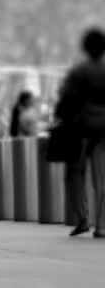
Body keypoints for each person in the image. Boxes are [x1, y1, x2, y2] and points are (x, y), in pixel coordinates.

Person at [56, 27, 105, 239]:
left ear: (85, 48)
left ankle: (83, 218)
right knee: (101, 178)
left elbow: (65, 99)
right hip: (104, 131)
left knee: (75, 175)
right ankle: (102, 226)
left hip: (81, 130)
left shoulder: (78, 72)